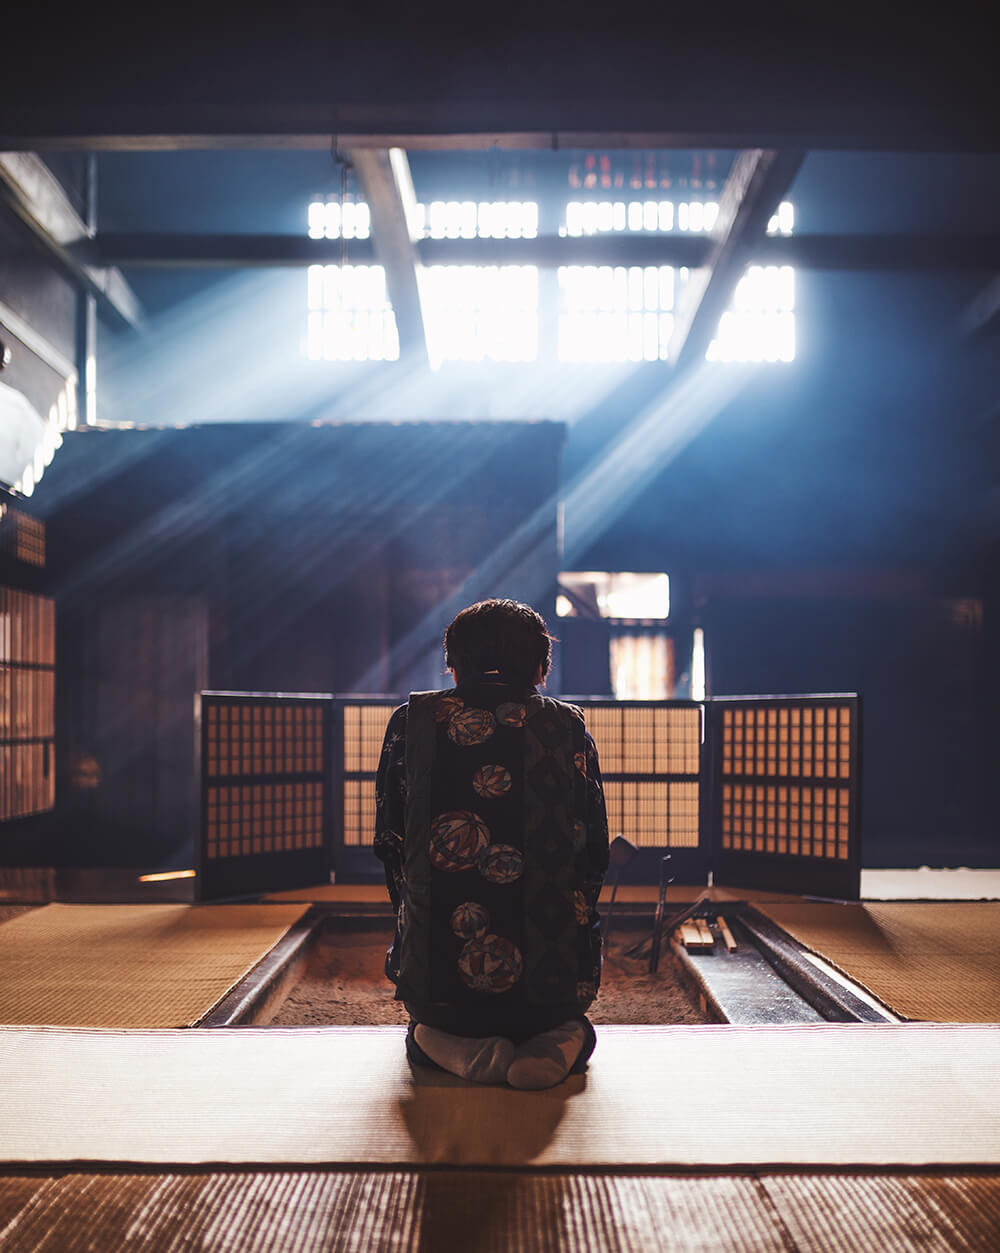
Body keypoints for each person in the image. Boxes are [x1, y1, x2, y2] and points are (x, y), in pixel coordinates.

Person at [374, 598, 610, 1089]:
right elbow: (595, 854)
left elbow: (390, 842)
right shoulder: (566, 726)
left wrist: (418, 916)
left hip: (439, 991)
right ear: (541, 666)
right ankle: (556, 1043)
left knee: (423, 1032)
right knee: (571, 1024)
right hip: (554, 990)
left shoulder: (412, 722)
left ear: (453, 665)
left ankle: (463, 1051)